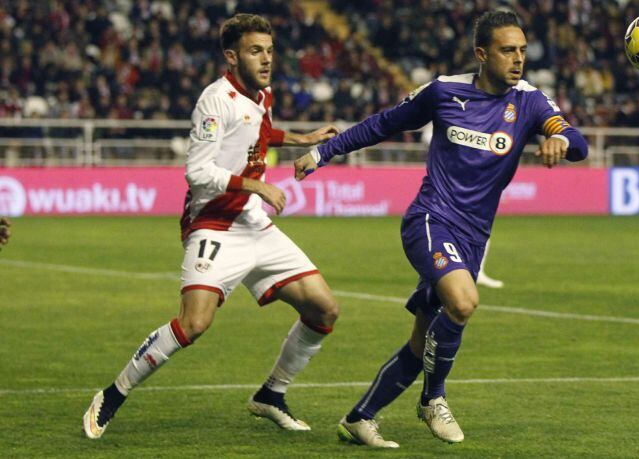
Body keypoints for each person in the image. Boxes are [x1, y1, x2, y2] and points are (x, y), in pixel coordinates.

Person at [295, 10, 588, 447]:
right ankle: (433, 399)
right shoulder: (443, 91)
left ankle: (360, 418)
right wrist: (324, 153)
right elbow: (382, 124)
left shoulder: (529, 102)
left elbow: (576, 142)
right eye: (508, 50)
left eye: (523, 50)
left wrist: (560, 140)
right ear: (481, 54)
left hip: (473, 238)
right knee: (465, 303)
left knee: (422, 343)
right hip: (431, 220)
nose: (518, 59)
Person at [83, 13, 342, 439]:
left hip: (252, 221)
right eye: (256, 51)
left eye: (270, 51)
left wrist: (302, 138)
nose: (266, 59)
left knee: (324, 309)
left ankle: (271, 394)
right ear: (231, 55)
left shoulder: (262, 95)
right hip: (214, 223)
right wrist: (256, 185)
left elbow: (257, 133)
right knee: (193, 324)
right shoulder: (214, 100)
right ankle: (113, 393)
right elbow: (198, 172)